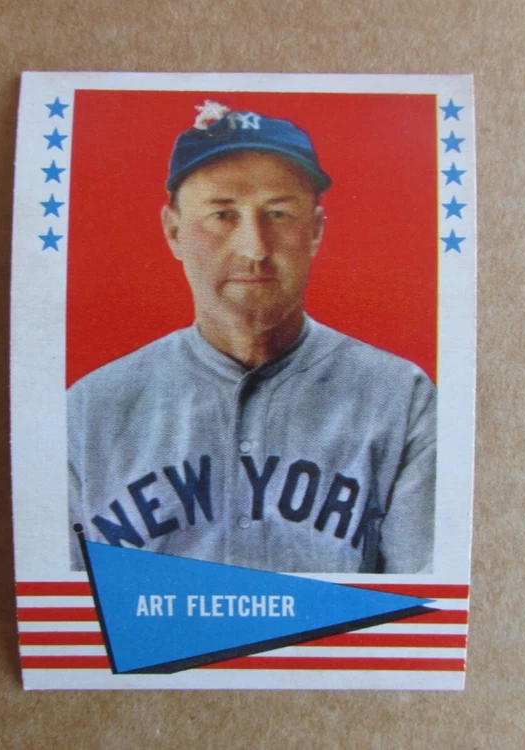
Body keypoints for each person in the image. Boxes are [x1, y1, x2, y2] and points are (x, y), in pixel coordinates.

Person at [68, 102, 435, 574]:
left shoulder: (401, 398)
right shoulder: (90, 410)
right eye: (222, 215)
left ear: (315, 231)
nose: (255, 248)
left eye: (278, 214)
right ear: (174, 232)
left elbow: (425, 607)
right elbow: (59, 608)